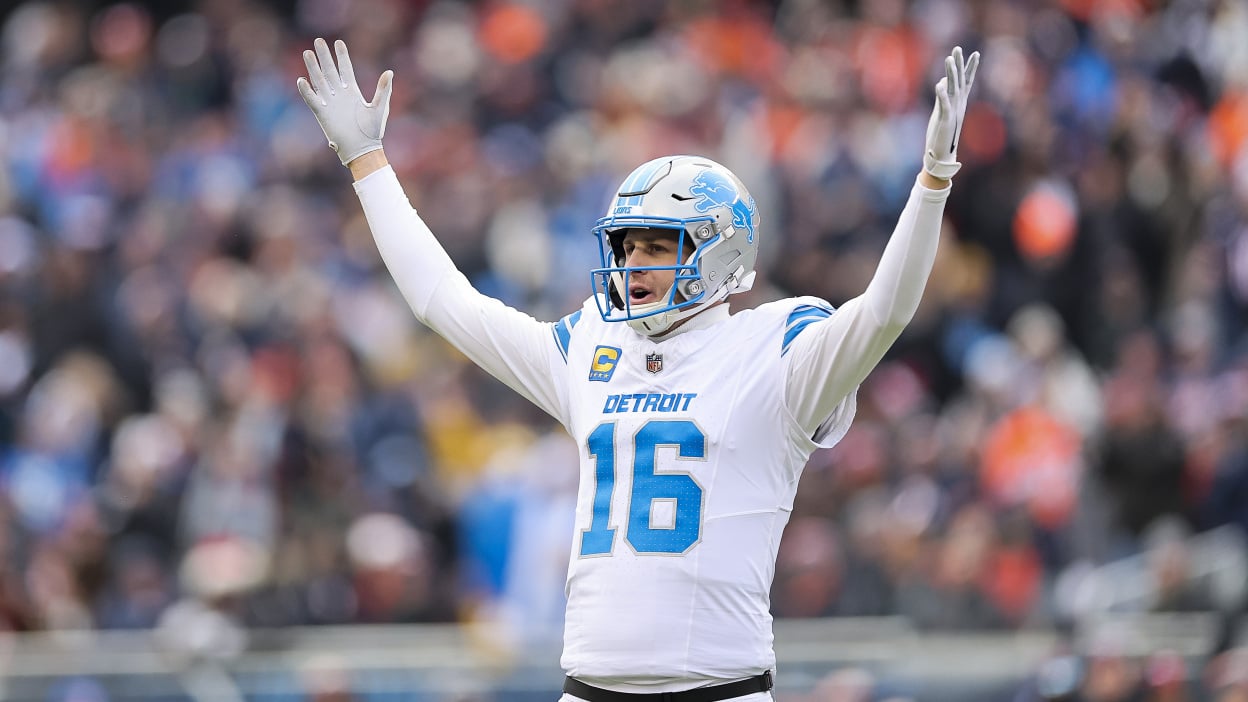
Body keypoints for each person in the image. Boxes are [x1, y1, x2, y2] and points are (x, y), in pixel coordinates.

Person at [298, 36, 979, 702]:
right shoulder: (590, 351)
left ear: (720, 255)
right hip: (589, 689)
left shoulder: (774, 353)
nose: (633, 266)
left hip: (722, 688)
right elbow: (442, 302)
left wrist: (931, 184)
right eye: (626, 247)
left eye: (658, 245)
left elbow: (885, 314)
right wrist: (368, 163)